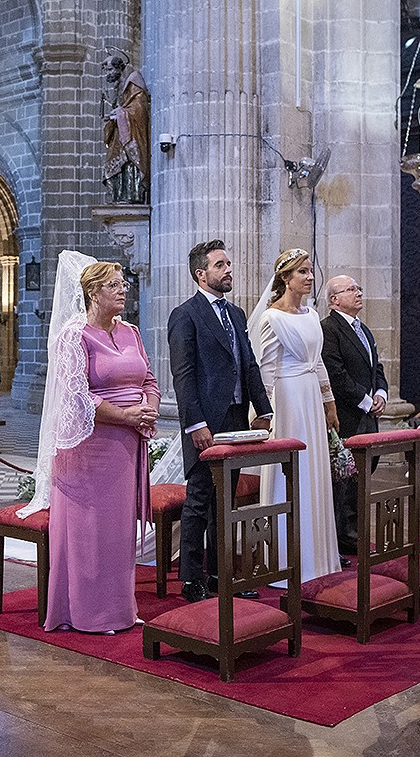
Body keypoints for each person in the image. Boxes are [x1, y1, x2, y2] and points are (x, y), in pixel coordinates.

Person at [25, 254, 159, 633]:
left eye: (123, 284)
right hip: (90, 449)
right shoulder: (74, 335)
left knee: (119, 534)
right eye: (114, 285)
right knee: (92, 533)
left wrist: (148, 408)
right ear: (93, 293)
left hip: (128, 444)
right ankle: (86, 613)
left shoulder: (131, 331)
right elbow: (76, 396)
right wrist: (126, 415)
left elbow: (149, 379)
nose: (123, 290)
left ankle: (119, 608)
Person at [168, 239, 273, 603]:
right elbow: (183, 375)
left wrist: (264, 409)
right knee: (199, 499)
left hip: (235, 416)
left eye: (228, 263)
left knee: (223, 501)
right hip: (206, 421)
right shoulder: (186, 314)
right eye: (220, 265)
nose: (229, 269)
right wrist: (195, 425)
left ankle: (219, 573)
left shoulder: (237, 314)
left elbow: (249, 364)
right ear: (201, 273)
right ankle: (191, 578)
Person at [248, 248, 342, 583]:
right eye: (302, 272)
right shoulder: (271, 318)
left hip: (311, 399)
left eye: (309, 271)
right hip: (287, 400)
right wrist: (267, 413)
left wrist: (329, 403)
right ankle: (287, 559)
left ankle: (318, 557)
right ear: (285, 278)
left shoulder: (313, 314)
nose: (309, 276)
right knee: (291, 474)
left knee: (314, 471)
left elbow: (317, 362)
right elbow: (267, 370)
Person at [321, 274, 389, 555]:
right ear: (334, 299)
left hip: (367, 418)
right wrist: (364, 400)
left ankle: (354, 533)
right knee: (345, 483)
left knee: (361, 482)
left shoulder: (364, 329)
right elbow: (334, 374)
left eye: (359, 287)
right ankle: (344, 539)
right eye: (351, 289)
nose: (359, 292)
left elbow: (377, 368)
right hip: (347, 416)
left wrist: (381, 394)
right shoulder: (329, 329)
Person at [99, 49, 151, 204]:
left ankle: (131, 195)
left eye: (109, 70)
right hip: (119, 135)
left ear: (118, 68)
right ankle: (119, 195)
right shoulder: (117, 88)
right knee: (113, 163)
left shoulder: (133, 83)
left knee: (128, 161)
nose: (107, 74)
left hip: (132, 135)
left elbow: (139, 109)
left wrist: (120, 114)